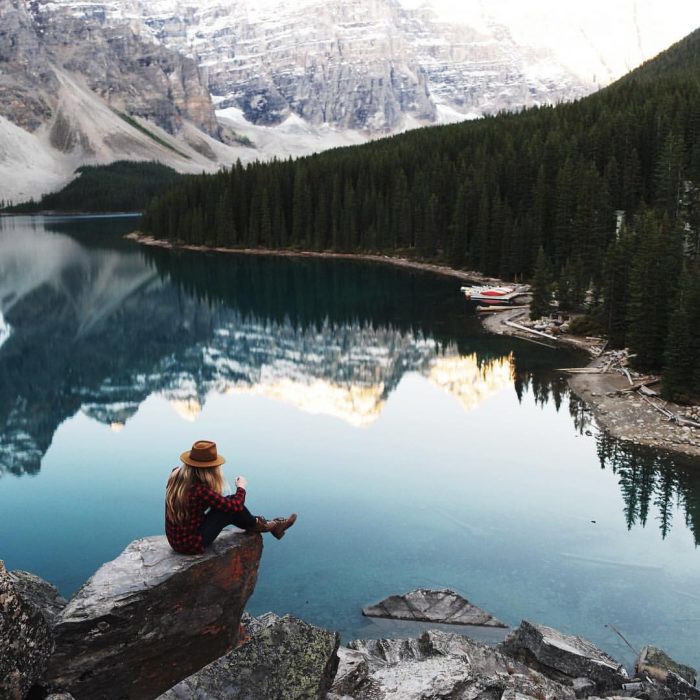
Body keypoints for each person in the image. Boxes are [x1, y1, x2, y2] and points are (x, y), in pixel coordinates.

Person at [165, 439, 297, 555]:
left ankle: (267, 525)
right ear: (209, 469)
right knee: (229, 508)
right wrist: (241, 488)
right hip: (192, 544)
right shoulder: (200, 490)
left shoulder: (175, 476)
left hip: (175, 540)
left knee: (228, 503)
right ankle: (269, 526)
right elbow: (235, 506)